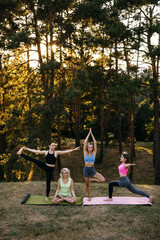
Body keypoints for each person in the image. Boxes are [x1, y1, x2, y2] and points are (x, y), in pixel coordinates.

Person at [83, 128, 105, 201]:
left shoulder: (94, 153)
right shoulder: (85, 153)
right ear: (87, 148)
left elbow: (95, 142)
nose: (90, 148)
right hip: (86, 169)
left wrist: (92, 134)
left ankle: (91, 179)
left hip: (92, 169)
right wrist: (88, 133)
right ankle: (89, 197)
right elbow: (85, 142)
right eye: (89, 147)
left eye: (91, 147)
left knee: (103, 180)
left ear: (92, 148)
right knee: (87, 185)